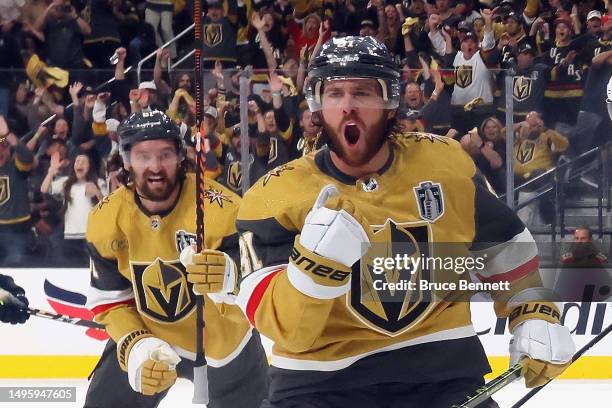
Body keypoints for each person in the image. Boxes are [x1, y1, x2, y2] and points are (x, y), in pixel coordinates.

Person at [190, 36, 576, 407]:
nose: (347, 106)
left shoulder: (446, 164)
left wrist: (532, 308)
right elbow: (281, 327)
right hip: (316, 387)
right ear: (317, 105)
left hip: (442, 378)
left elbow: (505, 245)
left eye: (362, 92)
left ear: (391, 102)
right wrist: (313, 273)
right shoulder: (273, 195)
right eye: (335, 93)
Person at [84, 110, 268, 408]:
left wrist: (232, 277)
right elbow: (111, 301)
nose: (155, 166)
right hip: (152, 335)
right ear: (126, 160)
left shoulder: (224, 210)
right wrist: (136, 344)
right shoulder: (106, 220)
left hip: (227, 343)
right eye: (144, 156)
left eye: (165, 154)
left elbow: (261, 284)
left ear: (181, 157)